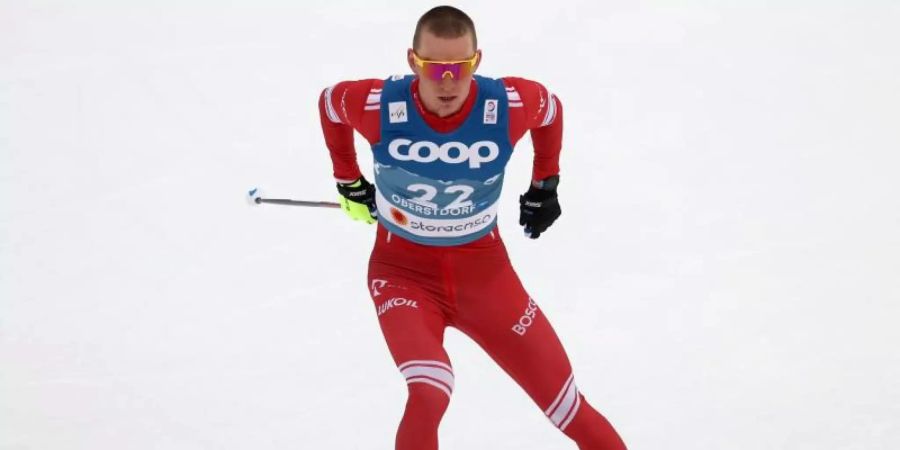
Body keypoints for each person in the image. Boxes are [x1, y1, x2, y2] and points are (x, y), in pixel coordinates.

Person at [317, 6, 627, 450]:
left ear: (477, 61)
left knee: (569, 407)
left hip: (485, 277)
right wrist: (347, 178)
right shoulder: (377, 104)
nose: (447, 80)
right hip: (403, 274)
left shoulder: (509, 104)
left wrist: (547, 181)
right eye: (434, 67)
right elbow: (329, 104)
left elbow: (551, 111)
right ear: (412, 61)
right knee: (429, 389)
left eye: (459, 67)